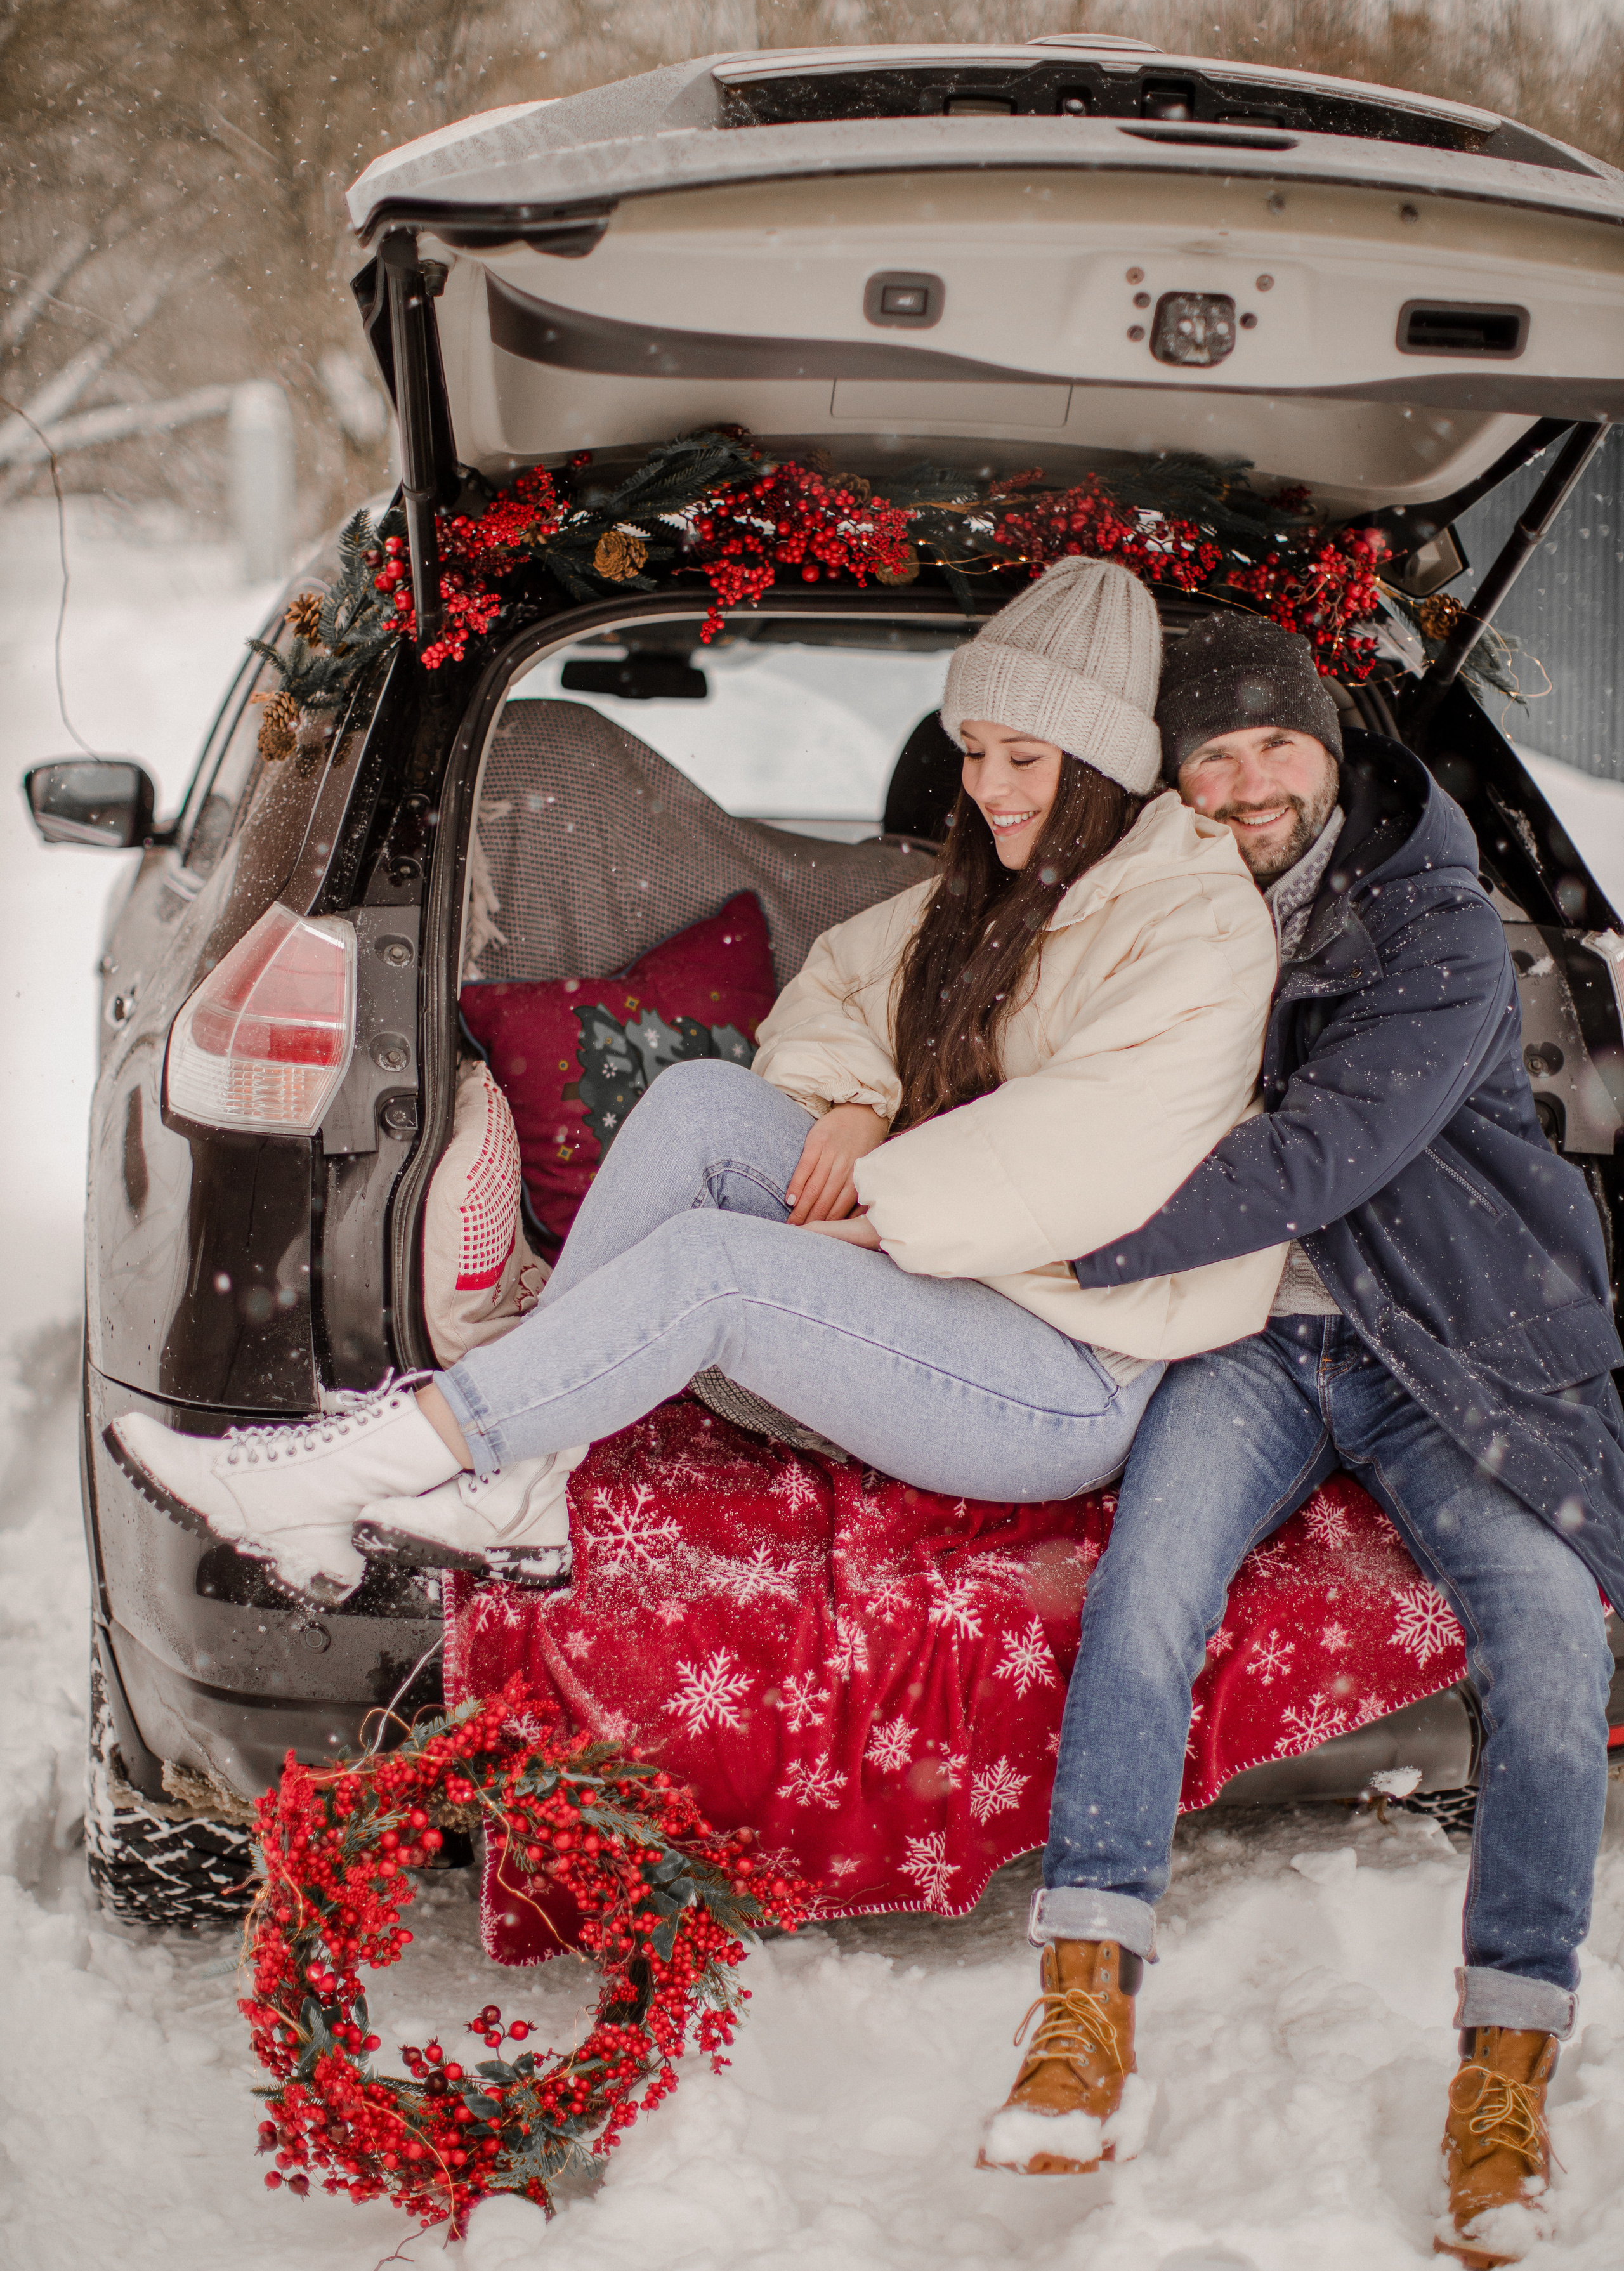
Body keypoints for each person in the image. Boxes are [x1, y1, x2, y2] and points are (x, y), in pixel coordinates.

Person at [110, 554, 1285, 1607]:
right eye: (973, 752)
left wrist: (872, 1208)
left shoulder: (1197, 925)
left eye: (1023, 759)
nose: (987, 787)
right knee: (701, 1105)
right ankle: (520, 1475)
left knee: (719, 1272)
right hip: (970, 1280)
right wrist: (854, 1099)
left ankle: (365, 1464)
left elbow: (1088, 1155)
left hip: (1067, 1370)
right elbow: (841, 979)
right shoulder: (1008, 886)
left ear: (1102, 767)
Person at [979, 606, 1624, 2271]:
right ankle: (1083, 2015)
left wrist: (1053, 1250)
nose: (1253, 776)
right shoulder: (1154, 907)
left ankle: (1505, 2073)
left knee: (1553, 1650)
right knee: (1145, 1598)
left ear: (1331, 750)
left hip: (1447, 1343)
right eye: (1217, 748)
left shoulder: (1436, 926)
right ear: (1177, 778)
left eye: (1281, 741)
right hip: (1249, 1339)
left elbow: (1315, 1157)